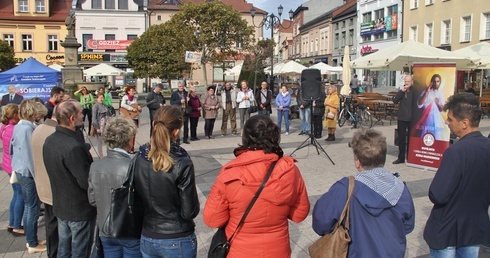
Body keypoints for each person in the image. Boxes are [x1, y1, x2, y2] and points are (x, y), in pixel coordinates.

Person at [203, 115, 310, 258]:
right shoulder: (290, 170)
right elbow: (299, 214)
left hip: (239, 251)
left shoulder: (230, 173)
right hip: (277, 251)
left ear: (246, 137)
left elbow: (212, 219)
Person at [312, 129, 415, 258]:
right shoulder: (401, 189)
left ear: (357, 162)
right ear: (383, 158)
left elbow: (320, 223)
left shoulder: (344, 189)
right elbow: (408, 226)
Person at [424, 93, 490, 257]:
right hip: (473, 228)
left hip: (448, 229)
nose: (447, 122)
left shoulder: (456, 152)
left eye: (450, 119)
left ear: (465, 123)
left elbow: (438, 194)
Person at [134, 106, 200, 258]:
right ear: (176, 131)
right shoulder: (182, 161)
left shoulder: (140, 156)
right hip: (176, 236)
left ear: (153, 125)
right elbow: (189, 211)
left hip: (148, 234)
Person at [43, 100, 96, 258]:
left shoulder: (50, 140)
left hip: (61, 206)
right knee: (79, 251)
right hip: (78, 210)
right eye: (80, 113)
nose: (82, 116)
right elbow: (85, 181)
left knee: (64, 250)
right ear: (72, 118)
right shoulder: (72, 147)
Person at [88, 116, 142, 258]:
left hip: (105, 230)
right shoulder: (134, 165)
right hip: (130, 230)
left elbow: (92, 200)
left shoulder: (95, 165)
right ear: (129, 139)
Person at [11, 100, 46, 253]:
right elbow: (29, 156)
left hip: (21, 171)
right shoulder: (26, 129)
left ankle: (32, 239)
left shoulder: (20, 126)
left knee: (30, 207)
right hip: (27, 173)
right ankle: (31, 242)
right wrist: (37, 176)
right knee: (32, 208)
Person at [31, 105, 59, 258]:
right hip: (53, 187)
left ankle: (52, 251)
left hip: (43, 185)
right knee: (55, 225)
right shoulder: (53, 133)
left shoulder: (39, 129)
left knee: (50, 224)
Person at [1, 104, 24, 236]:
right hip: (14, 165)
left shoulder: (5, 127)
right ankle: (16, 226)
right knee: (20, 195)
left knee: (16, 194)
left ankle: (12, 222)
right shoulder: (14, 129)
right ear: (15, 115)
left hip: (7, 164)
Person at [413, 74, 449, 141]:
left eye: (438, 81)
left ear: (440, 82)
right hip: (425, 120)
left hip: (437, 122)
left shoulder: (440, 94)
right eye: (434, 81)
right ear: (431, 82)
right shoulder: (426, 92)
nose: (436, 83)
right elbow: (419, 104)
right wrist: (427, 92)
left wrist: (438, 103)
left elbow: (442, 109)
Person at [392, 75, 415, 164]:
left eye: (408, 82)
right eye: (405, 81)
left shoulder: (414, 91)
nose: (406, 83)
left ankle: (410, 157)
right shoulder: (402, 91)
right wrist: (402, 91)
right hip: (402, 118)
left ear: (412, 81)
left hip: (411, 118)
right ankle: (401, 158)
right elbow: (395, 101)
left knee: (410, 139)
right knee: (401, 139)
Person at [120, 86, 141, 152]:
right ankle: (127, 148)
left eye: (134, 91)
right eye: (132, 91)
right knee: (128, 133)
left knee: (134, 134)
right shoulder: (125, 98)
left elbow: (136, 106)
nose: (133, 92)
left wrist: (139, 108)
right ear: (128, 91)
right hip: (128, 117)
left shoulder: (135, 98)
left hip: (135, 117)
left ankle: (132, 148)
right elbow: (122, 105)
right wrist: (131, 108)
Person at [92, 93, 110, 158]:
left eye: (102, 97)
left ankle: (109, 154)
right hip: (100, 125)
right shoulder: (95, 106)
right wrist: (97, 127)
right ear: (97, 98)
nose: (101, 99)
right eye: (100, 98)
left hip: (106, 124)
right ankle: (101, 155)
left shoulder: (105, 105)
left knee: (108, 140)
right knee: (99, 141)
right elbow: (94, 118)